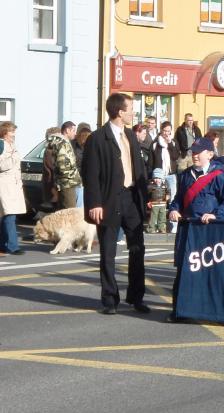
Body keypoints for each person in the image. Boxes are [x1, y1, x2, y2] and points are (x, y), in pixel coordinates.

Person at [81, 93, 149, 315]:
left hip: (131, 199)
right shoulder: (98, 138)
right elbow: (90, 174)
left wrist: (146, 196)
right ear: (120, 112)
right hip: (109, 200)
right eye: (130, 109)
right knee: (108, 252)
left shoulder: (130, 134)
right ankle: (110, 299)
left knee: (137, 249)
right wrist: (94, 203)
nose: (133, 113)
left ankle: (136, 296)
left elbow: (138, 168)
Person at [166, 137, 224, 323]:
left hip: (209, 231)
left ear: (210, 154)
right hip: (189, 229)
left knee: (211, 271)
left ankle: (213, 310)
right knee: (184, 270)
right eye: (193, 151)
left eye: (199, 152)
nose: (195, 155)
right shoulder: (185, 175)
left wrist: (217, 214)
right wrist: (173, 209)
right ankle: (179, 310)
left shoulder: (219, 176)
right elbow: (178, 200)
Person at [0, 121, 26, 255]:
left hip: (12, 185)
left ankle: (4, 245)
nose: (14, 134)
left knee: (6, 216)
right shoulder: (1, 144)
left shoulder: (10, 145)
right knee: (9, 215)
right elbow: (2, 165)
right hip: (5, 185)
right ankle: (13, 246)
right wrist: (13, 158)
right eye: (12, 131)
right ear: (5, 133)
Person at [48, 121, 82, 209]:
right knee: (69, 212)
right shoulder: (62, 144)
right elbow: (62, 166)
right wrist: (73, 176)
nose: (75, 133)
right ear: (67, 130)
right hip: (67, 184)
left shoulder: (64, 143)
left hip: (67, 184)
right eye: (73, 130)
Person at [146, 168, 170, 234]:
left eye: (159, 178)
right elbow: (147, 194)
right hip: (154, 203)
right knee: (153, 217)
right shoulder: (151, 186)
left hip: (162, 203)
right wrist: (148, 201)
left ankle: (161, 228)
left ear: (162, 179)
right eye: (155, 178)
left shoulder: (165, 185)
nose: (157, 180)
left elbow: (168, 191)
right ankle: (151, 228)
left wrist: (168, 195)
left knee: (162, 216)